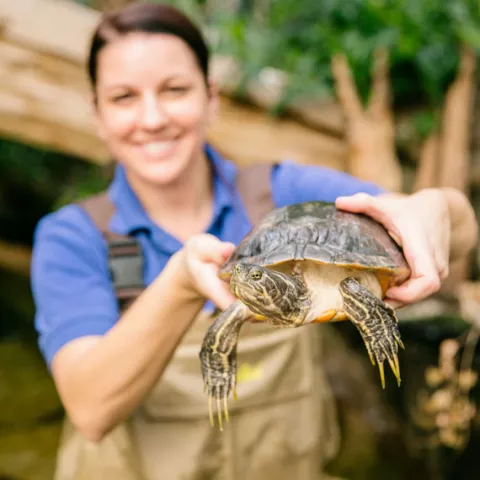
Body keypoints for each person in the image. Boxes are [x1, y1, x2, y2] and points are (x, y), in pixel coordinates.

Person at [30, 2, 478, 480]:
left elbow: (461, 231)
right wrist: (181, 283)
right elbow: (89, 410)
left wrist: (435, 206)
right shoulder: (73, 236)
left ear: (212, 97)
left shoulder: (280, 196)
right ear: (97, 115)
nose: (153, 116)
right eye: (123, 97)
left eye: (175, 89)